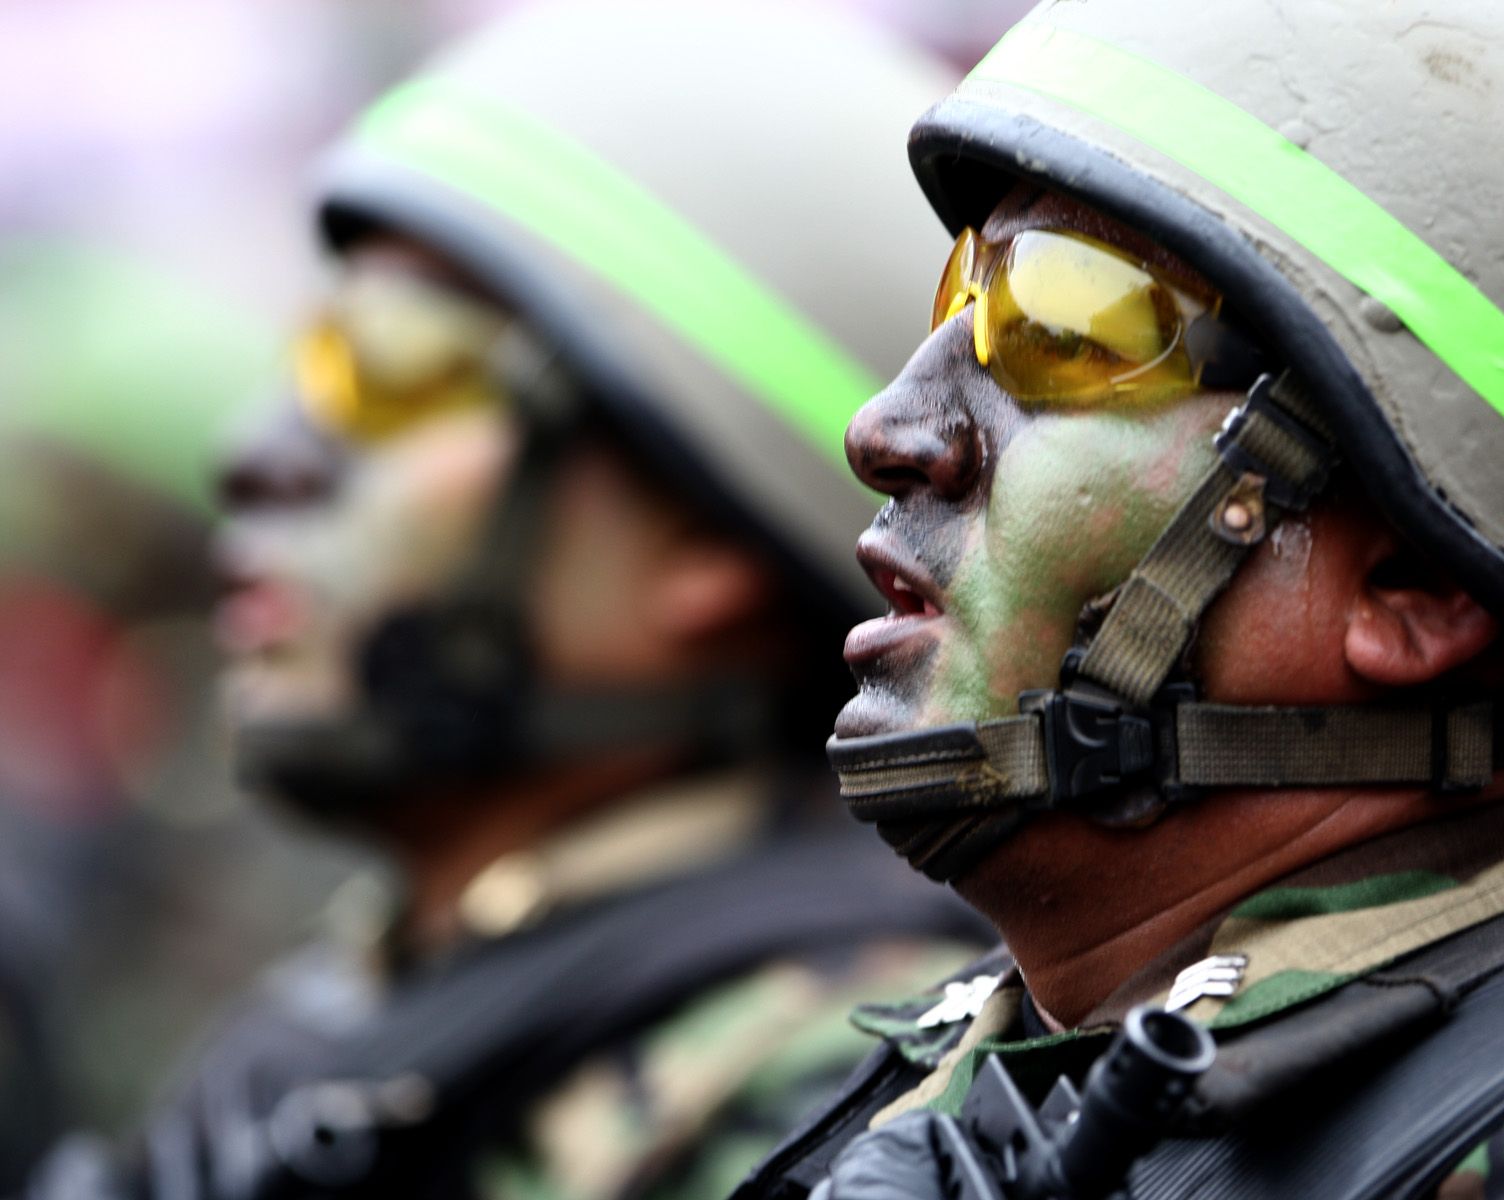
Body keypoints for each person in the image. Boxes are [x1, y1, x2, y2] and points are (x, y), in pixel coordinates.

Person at [728, 1, 1504, 1197]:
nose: (888, 431)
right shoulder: (967, 1088)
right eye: (961, 298)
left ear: (1416, 586)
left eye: (1064, 323)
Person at [24, 4, 992, 1199]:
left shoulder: (833, 1112)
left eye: (392, 365)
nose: (260, 454)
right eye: (309, 352)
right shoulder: (370, 1010)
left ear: (704, 544)